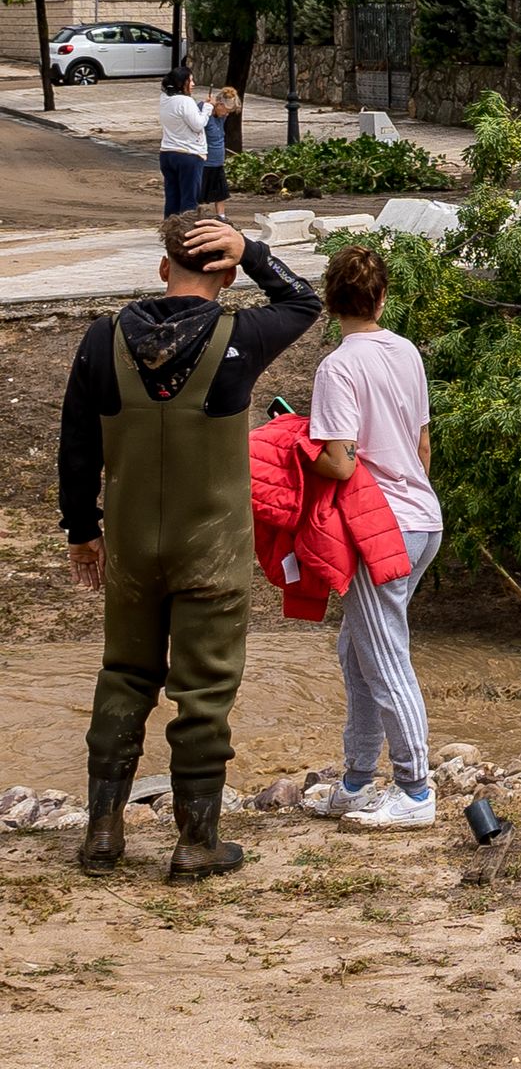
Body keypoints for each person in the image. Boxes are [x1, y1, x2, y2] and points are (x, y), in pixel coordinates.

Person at [60, 214, 322, 878]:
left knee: (123, 675)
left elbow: (77, 446)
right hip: (211, 551)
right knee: (204, 692)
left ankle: (102, 834)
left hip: (129, 550)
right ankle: (196, 842)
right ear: (227, 273)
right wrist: (254, 249)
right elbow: (303, 301)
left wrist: (82, 532)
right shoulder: (240, 337)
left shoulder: (102, 339)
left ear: (160, 269)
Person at [302, 244, 443, 830]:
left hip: (377, 529)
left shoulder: (338, 367)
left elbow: (336, 461)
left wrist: (296, 455)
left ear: (331, 301)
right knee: (357, 648)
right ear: (382, 297)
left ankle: (414, 789)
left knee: (383, 654)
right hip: (422, 520)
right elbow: (423, 446)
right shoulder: (405, 351)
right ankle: (358, 778)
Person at [158, 66, 213, 217]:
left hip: (167, 154)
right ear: (182, 82)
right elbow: (198, 125)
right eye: (190, 80)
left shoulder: (165, 99)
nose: (193, 84)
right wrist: (207, 108)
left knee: (172, 198)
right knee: (189, 199)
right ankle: (187, 234)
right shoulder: (185, 101)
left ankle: (170, 233)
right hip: (188, 155)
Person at [202, 88, 240, 219]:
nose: (227, 115)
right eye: (226, 111)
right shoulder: (205, 114)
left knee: (221, 192)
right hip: (205, 162)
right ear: (219, 104)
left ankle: (221, 216)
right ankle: (193, 215)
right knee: (200, 191)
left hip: (218, 162)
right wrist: (206, 106)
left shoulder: (221, 117)